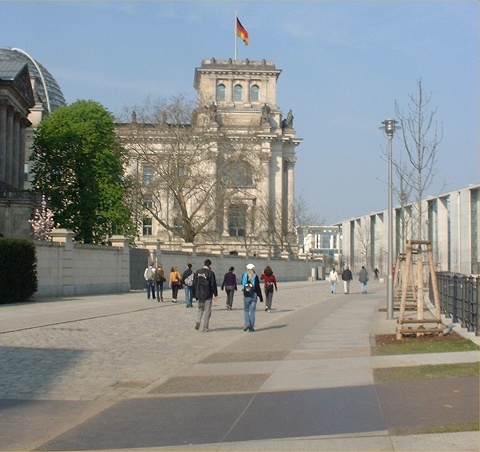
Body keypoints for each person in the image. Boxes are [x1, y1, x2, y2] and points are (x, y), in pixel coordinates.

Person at [192, 259, 218, 332]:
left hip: (199, 293)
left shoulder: (197, 272)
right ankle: (205, 327)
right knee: (207, 311)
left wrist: (195, 294)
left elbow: (194, 283)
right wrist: (215, 294)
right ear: (209, 265)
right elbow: (213, 284)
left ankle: (198, 320)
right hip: (208, 294)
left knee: (200, 308)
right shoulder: (210, 273)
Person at [242, 263, 263, 332]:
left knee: (246, 310)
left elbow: (242, 285)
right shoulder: (255, 276)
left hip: (246, 295)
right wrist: (260, 296)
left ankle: (247, 323)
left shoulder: (244, 275)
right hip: (254, 295)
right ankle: (251, 328)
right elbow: (258, 287)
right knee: (252, 311)